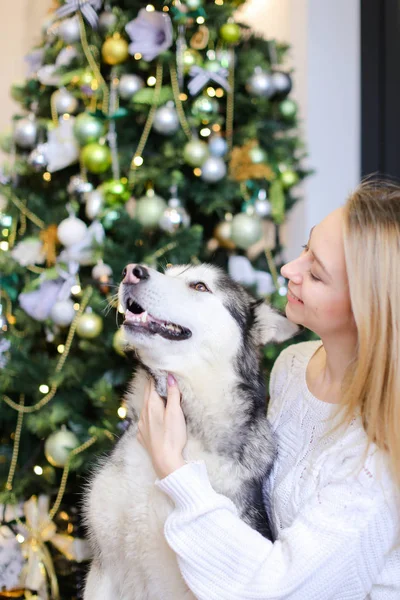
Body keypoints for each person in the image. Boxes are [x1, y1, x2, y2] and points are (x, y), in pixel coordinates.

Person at [137, 180, 400, 599]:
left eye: (316, 273)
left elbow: (278, 590)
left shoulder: (378, 462)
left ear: (367, 309)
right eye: (305, 249)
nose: (289, 271)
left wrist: (173, 467)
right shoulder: (293, 366)